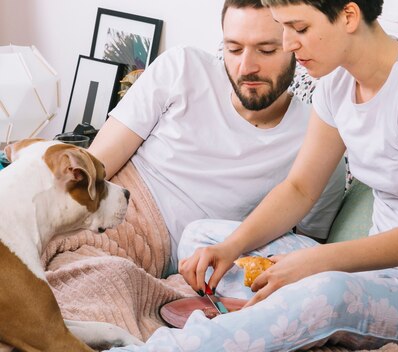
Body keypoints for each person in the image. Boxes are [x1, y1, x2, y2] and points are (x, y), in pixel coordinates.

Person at [109, 0, 398, 351]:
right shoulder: (335, 84)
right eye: (284, 28)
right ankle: (264, 314)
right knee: (204, 239)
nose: (288, 43)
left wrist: (316, 262)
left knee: (327, 291)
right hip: (379, 274)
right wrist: (230, 248)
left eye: (299, 28)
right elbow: (299, 189)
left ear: (349, 15)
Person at [88, 0, 345, 277]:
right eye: (233, 49)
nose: (246, 67)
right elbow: (95, 165)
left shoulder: (319, 139)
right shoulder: (182, 67)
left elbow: (306, 251)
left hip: (171, 258)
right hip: (107, 201)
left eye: (266, 50)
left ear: (296, 47)